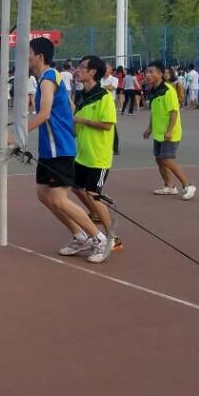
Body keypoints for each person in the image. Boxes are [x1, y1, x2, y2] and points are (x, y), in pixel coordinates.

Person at [27, 37, 110, 264]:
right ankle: (79, 236)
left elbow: (44, 114)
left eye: (29, 52)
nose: (26, 57)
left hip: (60, 149)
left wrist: (17, 135)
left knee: (59, 198)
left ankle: (100, 238)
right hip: (49, 150)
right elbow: (68, 108)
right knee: (44, 194)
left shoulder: (49, 78)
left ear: (39, 56)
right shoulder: (46, 79)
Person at [73, 56, 119, 255]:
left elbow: (107, 125)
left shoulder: (104, 96)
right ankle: (97, 213)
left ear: (93, 72)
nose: (77, 70)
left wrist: (81, 120)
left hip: (98, 156)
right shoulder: (81, 96)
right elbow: (74, 123)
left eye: (82, 67)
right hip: (82, 153)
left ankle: (113, 237)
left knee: (92, 193)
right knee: (75, 187)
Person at [144, 61, 196, 200]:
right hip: (158, 132)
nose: (147, 74)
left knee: (167, 159)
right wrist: (149, 128)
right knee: (159, 159)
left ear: (160, 74)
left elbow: (174, 111)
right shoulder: (153, 91)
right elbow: (154, 112)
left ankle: (187, 185)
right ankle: (169, 186)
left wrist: (169, 131)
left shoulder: (168, 90)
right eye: (147, 72)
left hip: (170, 132)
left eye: (151, 72)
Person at [100, 63, 120, 156]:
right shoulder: (100, 79)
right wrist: (105, 86)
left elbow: (112, 88)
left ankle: (115, 148)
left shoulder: (114, 79)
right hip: (100, 103)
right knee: (100, 124)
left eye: (106, 68)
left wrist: (101, 86)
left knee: (111, 126)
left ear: (111, 70)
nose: (104, 70)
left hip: (110, 104)